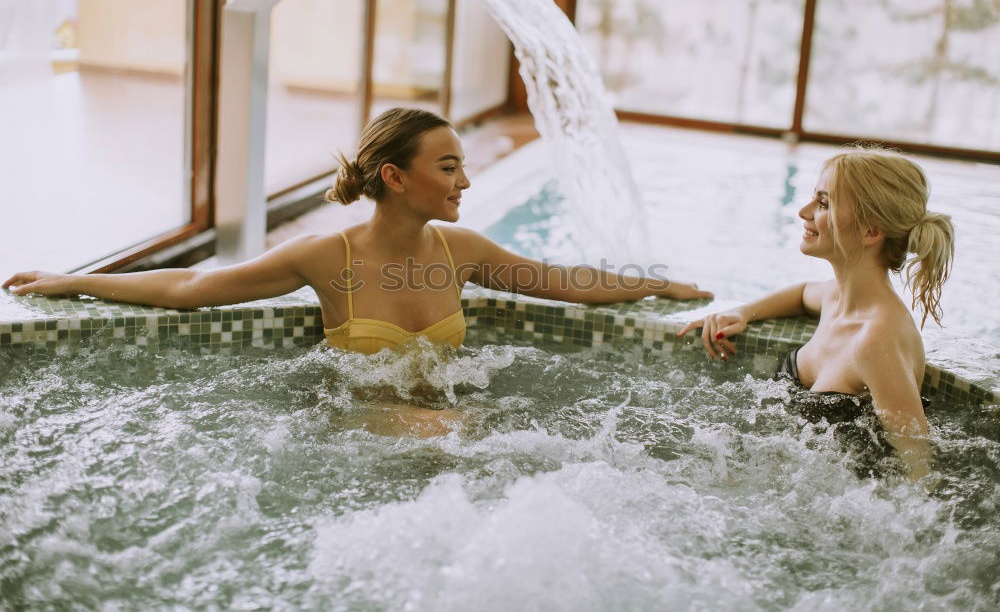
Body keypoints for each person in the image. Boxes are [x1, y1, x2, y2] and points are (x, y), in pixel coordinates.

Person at [4, 107, 712, 434]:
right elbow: (192, 289)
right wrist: (73, 281)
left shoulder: (461, 251)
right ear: (397, 178)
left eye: (462, 164)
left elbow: (566, 283)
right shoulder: (327, 258)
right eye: (448, 166)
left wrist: (657, 283)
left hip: (442, 419)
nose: (464, 178)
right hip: (357, 427)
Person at [678, 148, 954, 483]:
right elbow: (801, 293)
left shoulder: (877, 338)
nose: (803, 212)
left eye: (824, 203)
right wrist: (741, 312)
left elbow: (917, 461)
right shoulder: (836, 298)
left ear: (870, 232)